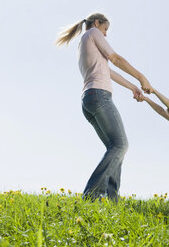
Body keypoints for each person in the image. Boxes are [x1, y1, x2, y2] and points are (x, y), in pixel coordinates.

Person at [55, 13, 153, 202]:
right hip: (100, 96)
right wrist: (141, 77)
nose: (106, 35)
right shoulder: (93, 33)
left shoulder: (85, 44)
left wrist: (133, 87)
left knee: (115, 148)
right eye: (105, 29)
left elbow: (109, 71)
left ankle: (113, 201)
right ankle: (91, 195)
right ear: (97, 23)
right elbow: (115, 58)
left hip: (89, 100)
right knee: (120, 145)